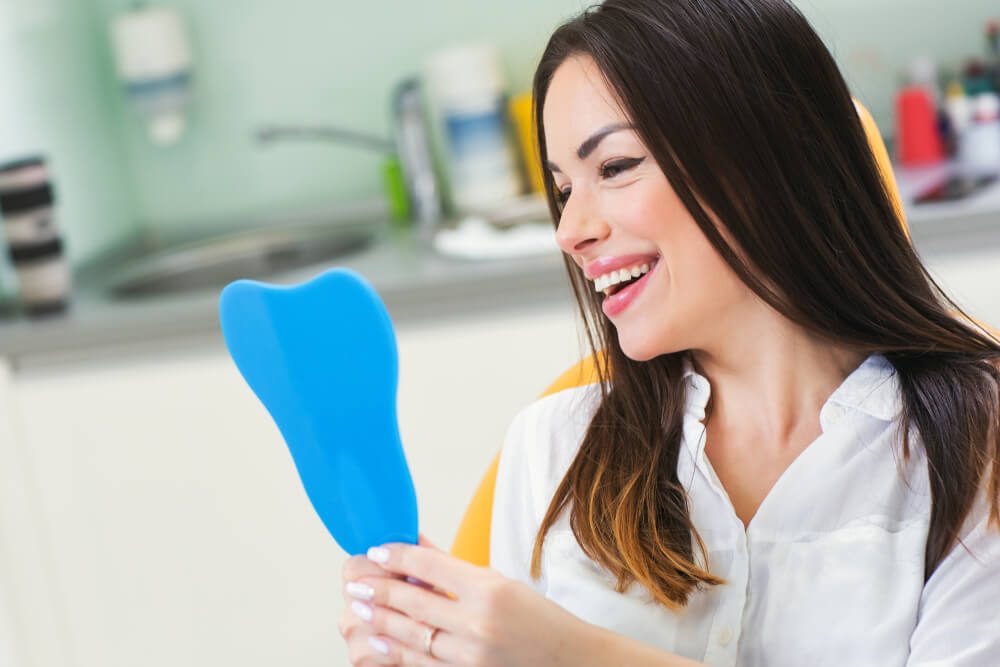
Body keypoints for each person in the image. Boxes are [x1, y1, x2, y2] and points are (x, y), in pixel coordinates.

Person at [338, 0, 1000, 664]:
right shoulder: (552, 448)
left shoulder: (974, 446)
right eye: (564, 189)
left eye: (616, 166)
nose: (570, 231)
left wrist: (570, 654)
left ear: (767, 158)